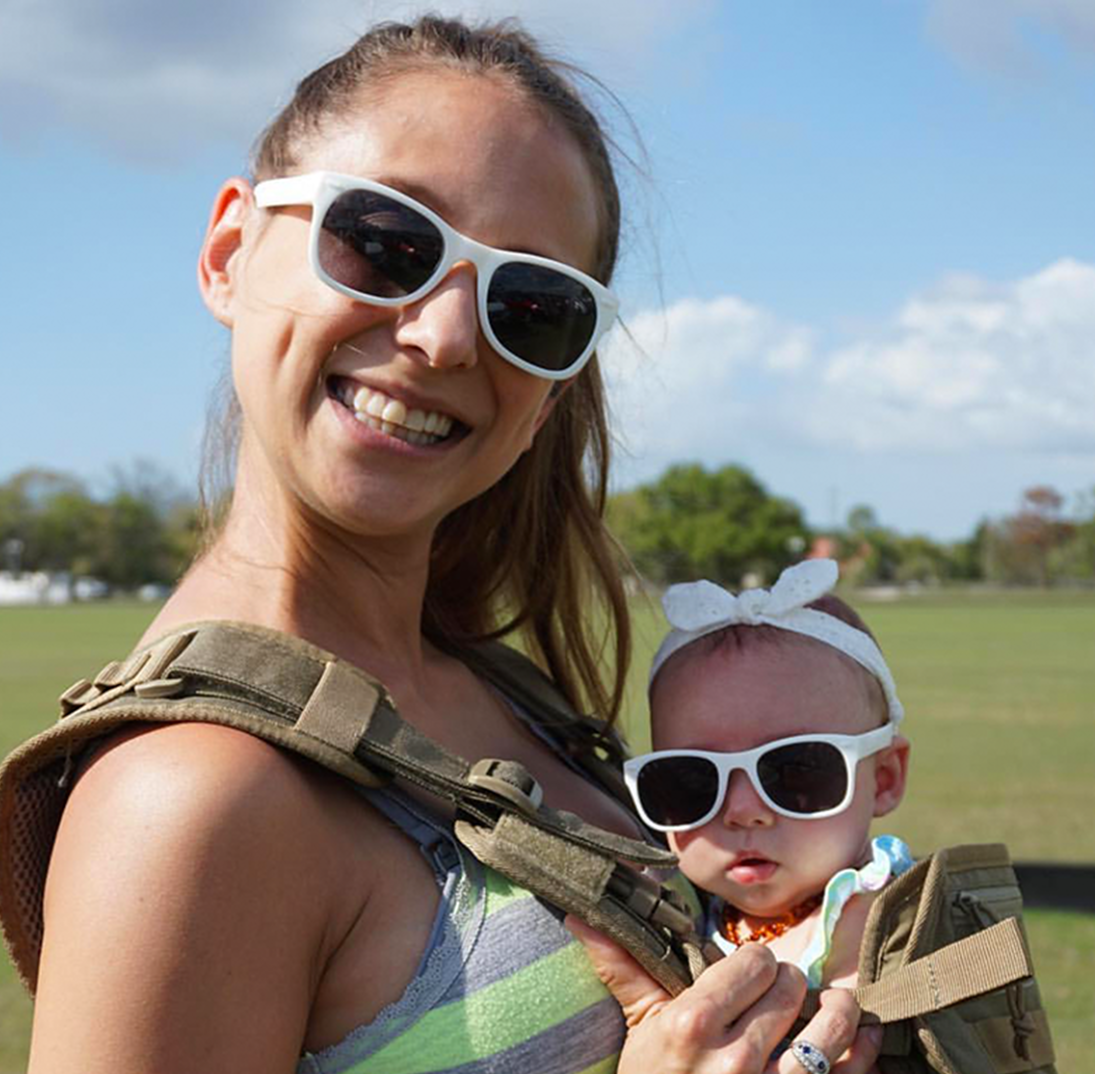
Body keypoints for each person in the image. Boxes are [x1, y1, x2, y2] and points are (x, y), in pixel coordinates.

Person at [20, 17, 883, 1074]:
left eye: (532, 304)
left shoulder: (502, 698)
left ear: (551, 391)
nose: (443, 333)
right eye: (384, 242)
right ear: (230, 254)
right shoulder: (188, 804)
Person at [625, 558, 912, 1007]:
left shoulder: (880, 924)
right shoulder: (671, 906)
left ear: (886, 777)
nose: (743, 810)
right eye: (691, 780)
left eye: (797, 770)